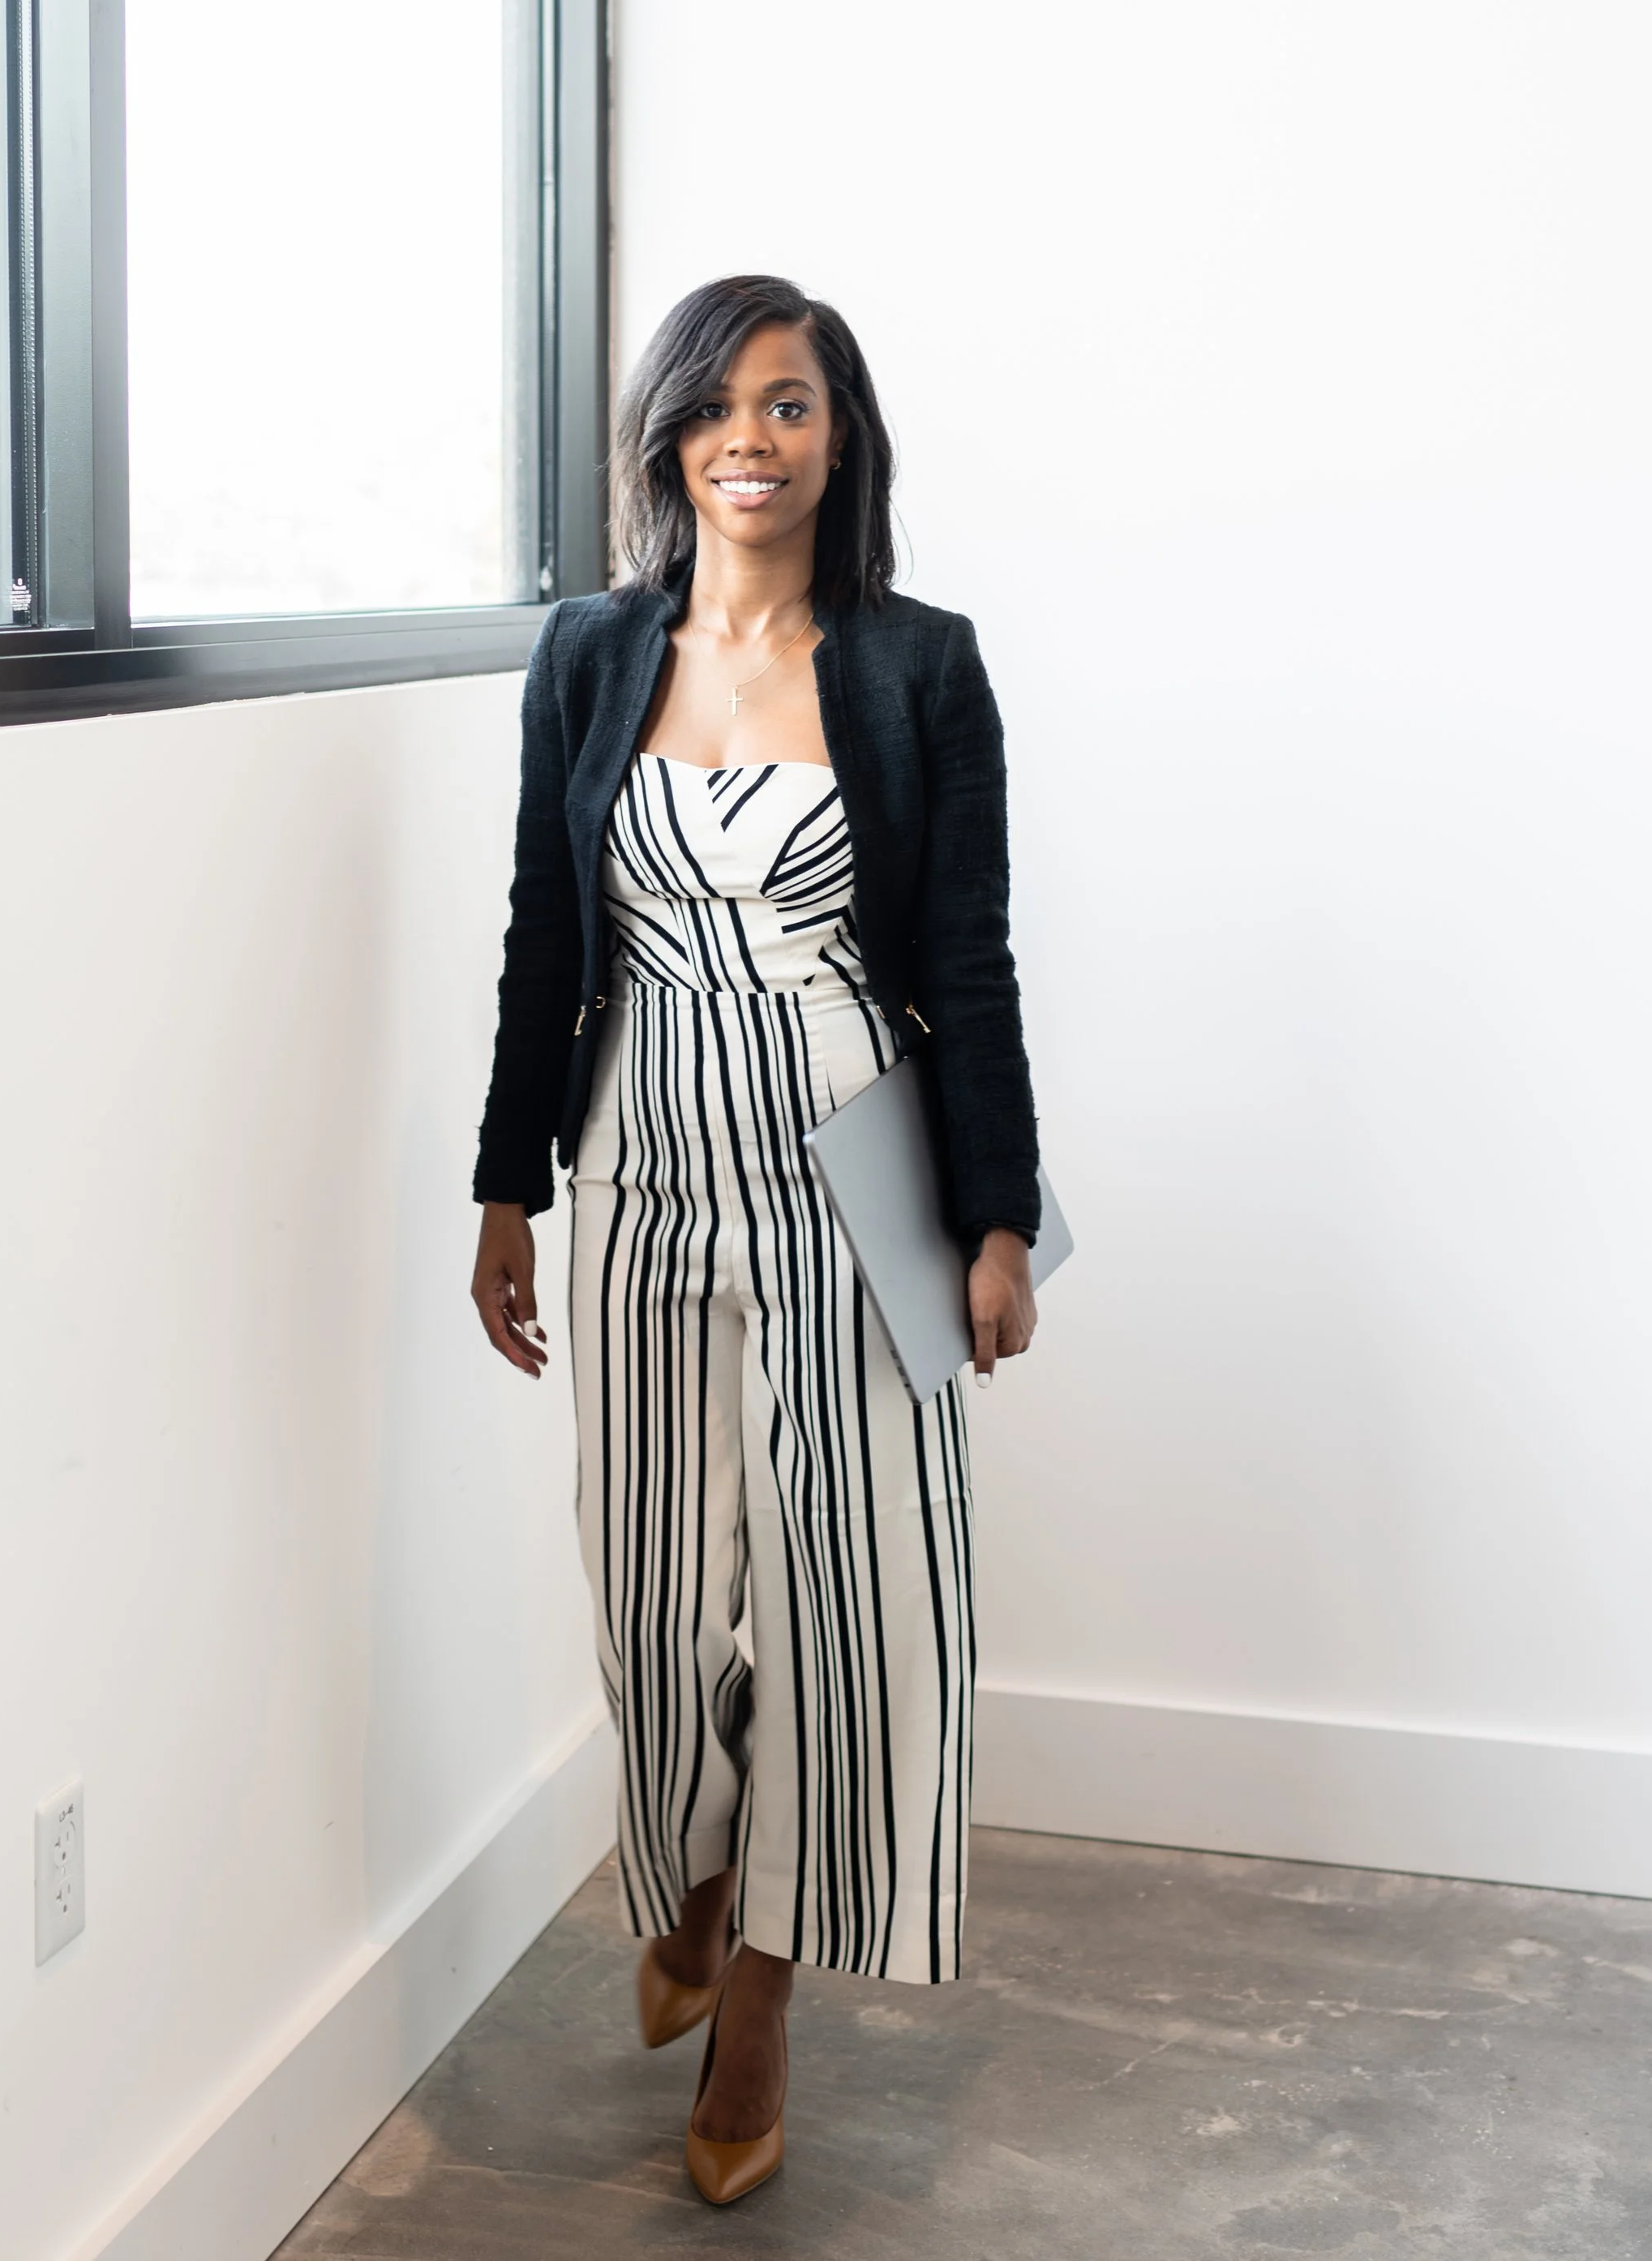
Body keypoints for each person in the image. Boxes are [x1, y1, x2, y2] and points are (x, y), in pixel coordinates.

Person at [469, 272, 1040, 2204]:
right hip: (633, 1162)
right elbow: (547, 946)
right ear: (663, 433)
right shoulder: (586, 652)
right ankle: (700, 1871)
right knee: (644, 1584)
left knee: (841, 1596)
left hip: (845, 1167)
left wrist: (992, 1221)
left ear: (838, 436)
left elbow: (964, 955)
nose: (750, 436)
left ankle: (764, 1999)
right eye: (717, 403)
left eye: (788, 404)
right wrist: (503, 1189)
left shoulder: (916, 664)